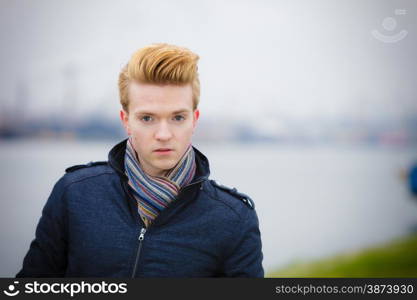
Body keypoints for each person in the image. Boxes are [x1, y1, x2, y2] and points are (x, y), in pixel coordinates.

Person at [16, 43, 264, 277]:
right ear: (126, 121)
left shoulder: (233, 219)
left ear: (194, 120)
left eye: (178, 118)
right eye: (147, 118)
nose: (164, 135)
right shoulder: (74, 194)